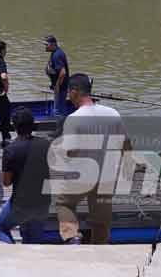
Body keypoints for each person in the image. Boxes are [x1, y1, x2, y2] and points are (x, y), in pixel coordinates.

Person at [51, 74, 129, 245]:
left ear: (75, 91)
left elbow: (70, 152)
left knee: (64, 204)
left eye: (69, 92)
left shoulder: (74, 119)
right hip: (107, 176)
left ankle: (72, 237)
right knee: (101, 220)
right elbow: (126, 144)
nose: (68, 97)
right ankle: (99, 247)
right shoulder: (113, 113)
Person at [0, 107, 51, 244]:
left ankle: (13, 254)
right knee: (33, 240)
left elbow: (6, 182)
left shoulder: (10, 150)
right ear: (32, 125)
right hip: (43, 203)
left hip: (21, 205)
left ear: (14, 126)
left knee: (1, 226)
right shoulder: (46, 145)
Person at [44, 35, 71, 116]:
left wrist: (57, 85)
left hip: (61, 88)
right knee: (59, 108)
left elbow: (63, 72)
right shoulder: (54, 53)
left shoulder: (57, 55)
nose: (45, 46)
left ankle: (60, 126)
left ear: (53, 44)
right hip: (59, 87)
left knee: (58, 111)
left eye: (46, 44)